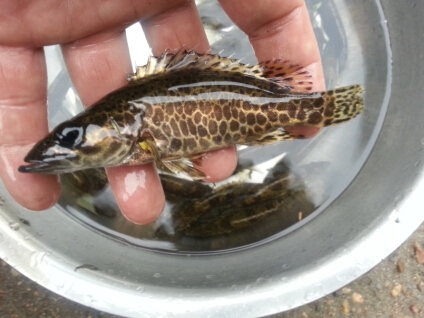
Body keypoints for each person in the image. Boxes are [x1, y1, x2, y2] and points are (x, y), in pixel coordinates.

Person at [0, 0, 324, 224]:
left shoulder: (137, 133)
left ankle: (327, 108)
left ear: (121, 121)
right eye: (70, 136)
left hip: (265, 95)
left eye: (71, 136)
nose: (67, 144)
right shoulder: (133, 135)